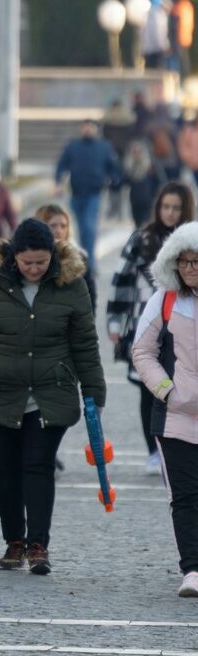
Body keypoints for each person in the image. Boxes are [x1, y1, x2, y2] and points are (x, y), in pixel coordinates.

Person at [0, 219, 105, 576]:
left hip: (51, 392)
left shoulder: (72, 285)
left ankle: (38, 544)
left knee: (39, 465)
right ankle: (14, 541)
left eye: (41, 262)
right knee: (7, 469)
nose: (33, 269)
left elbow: (84, 343)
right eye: (27, 262)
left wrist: (94, 391)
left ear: (54, 258)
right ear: (13, 256)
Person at [131, 220, 198, 597]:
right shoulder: (165, 300)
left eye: (196, 262)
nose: (190, 269)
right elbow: (142, 350)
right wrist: (166, 391)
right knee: (185, 496)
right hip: (175, 416)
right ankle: (192, 569)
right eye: (183, 262)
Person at [107, 182, 194, 472]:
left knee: (182, 386)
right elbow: (121, 280)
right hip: (143, 322)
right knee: (149, 389)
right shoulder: (141, 239)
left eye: (176, 208)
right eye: (166, 206)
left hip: (183, 327)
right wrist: (115, 320)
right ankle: (153, 449)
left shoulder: (190, 242)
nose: (170, 213)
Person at [54, 119, 120, 272]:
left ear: (96, 129)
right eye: (85, 127)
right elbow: (62, 165)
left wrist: (113, 180)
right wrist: (59, 182)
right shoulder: (73, 146)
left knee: (89, 227)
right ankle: (84, 258)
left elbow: (113, 168)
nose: (87, 130)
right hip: (76, 193)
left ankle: (89, 265)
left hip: (94, 193)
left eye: (91, 127)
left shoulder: (104, 147)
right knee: (81, 228)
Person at [36, 203, 98, 307]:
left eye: (63, 226)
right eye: (53, 225)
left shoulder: (80, 258)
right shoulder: (29, 258)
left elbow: (90, 299)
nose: (59, 231)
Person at [122, 137, 167, 228]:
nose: (137, 155)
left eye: (139, 152)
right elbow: (124, 181)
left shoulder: (151, 166)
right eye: (134, 152)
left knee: (146, 224)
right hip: (135, 200)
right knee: (138, 224)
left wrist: (157, 195)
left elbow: (160, 181)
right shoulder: (130, 167)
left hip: (149, 200)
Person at [170, 0, 194, 77]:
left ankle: (181, 77)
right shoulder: (188, 6)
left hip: (178, 37)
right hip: (186, 37)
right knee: (184, 59)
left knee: (178, 60)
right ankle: (186, 75)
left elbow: (174, 25)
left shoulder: (178, 8)